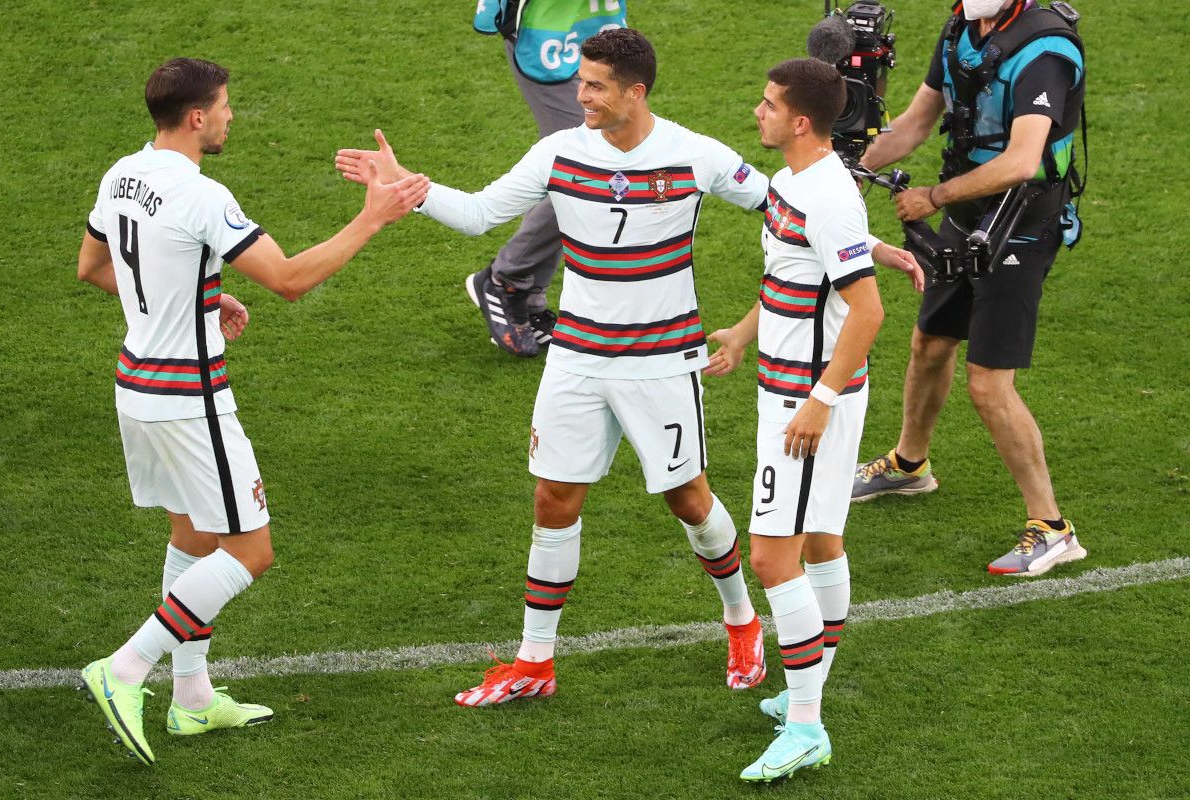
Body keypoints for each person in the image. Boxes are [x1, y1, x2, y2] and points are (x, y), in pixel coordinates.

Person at [338, 28, 773, 704]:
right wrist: (409, 187)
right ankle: (535, 661)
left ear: (636, 91)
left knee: (688, 499)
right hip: (576, 356)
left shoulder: (699, 157)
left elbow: (786, 211)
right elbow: (482, 214)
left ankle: (742, 619)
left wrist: (868, 251)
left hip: (660, 362)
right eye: (581, 82)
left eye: (596, 85)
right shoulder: (559, 152)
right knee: (553, 498)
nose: (581, 96)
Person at [76, 57, 428, 765]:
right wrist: (372, 217)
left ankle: (194, 701)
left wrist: (200, 295)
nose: (233, 116)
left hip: (136, 388)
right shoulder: (202, 195)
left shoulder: (122, 173)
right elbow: (291, 280)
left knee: (196, 536)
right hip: (189, 399)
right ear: (197, 117)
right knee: (249, 549)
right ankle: (124, 670)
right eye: (226, 106)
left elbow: (95, 267)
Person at [707, 58, 920, 783]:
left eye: (767, 106)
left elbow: (867, 311)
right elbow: (793, 282)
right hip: (803, 389)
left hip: (807, 401)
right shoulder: (794, 185)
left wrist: (818, 405)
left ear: (800, 121)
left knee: (771, 558)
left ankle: (806, 724)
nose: (756, 114)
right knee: (822, 538)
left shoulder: (826, 195)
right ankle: (811, 688)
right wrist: (742, 331)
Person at [850, 0, 1087, 576]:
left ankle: (1052, 528)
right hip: (967, 205)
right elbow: (914, 123)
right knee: (930, 343)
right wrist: (842, 171)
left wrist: (933, 196)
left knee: (989, 386)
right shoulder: (962, 27)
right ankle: (910, 466)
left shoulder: (1047, 51)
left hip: (1021, 221)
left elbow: (1023, 161)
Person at [467, 0, 627, 357]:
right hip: (547, 42)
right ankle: (505, 281)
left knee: (587, 168)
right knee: (587, 167)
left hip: (593, 31)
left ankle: (527, 296)